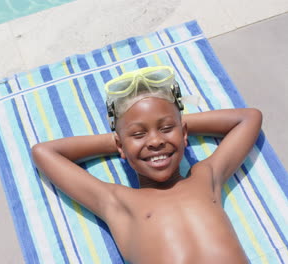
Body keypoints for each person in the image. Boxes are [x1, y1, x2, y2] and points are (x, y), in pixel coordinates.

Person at [31, 66, 262, 264]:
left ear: (184, 134)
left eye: (165, 129)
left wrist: (173, 126)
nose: (155, 141)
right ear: (119, 145)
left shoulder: (204, 177)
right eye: (139, 134)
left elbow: (249, 118)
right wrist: (123, 141)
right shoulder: (119, 203)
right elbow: (45, 152)